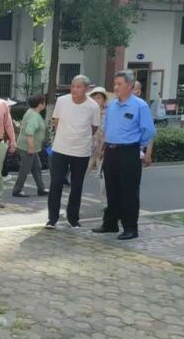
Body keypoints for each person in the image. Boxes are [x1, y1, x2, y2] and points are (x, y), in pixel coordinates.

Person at [92, 70, 156, 240]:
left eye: (119, 84)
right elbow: (106, 127)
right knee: (111, 189)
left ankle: (130, 227)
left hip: (129, 151)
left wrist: (137, 145)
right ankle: (110, 223)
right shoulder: (112, 105)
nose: (116, 87)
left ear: (130, 85)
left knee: (129, 191)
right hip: (111, 151)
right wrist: (103, 147)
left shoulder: (140, 106)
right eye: (115, 84)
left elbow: (149, 130)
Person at [46, 75, 100, 229]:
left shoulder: (93, 106)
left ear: (86, 89)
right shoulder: (62, 101)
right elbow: (56, 121)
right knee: (56, 183)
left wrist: (81, 137)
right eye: (73, 86)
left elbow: (94, 127)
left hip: (81, 151)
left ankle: (73, 218)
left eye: (79, 87)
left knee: (77, 185)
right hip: (61, 148)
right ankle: (52, 218)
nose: (75, 89)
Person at [11, 94, 48, 198]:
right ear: (40, 104)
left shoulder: (31, 111)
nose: (45, 104)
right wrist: (31, 148)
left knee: (36, 167)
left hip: (30, 147)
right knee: (25, 169)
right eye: (44, 102)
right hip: (28, 147)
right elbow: (29, 133)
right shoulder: (34, 116)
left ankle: (41, 188)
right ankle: (17, 190)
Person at [88, 86, 110, 203]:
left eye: (99, 98)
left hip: (102, 150)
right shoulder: (88, 112)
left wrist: (102, 148)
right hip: (88, 149)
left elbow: (108, 131)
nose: (96, 100)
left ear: (104, 99)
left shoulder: (109, 113)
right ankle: (74, 197)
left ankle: (105, 200)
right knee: (79, 175)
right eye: (94, 97)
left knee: (104, 177)